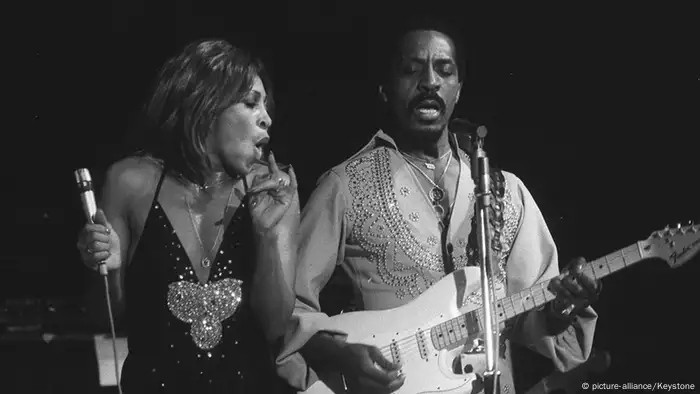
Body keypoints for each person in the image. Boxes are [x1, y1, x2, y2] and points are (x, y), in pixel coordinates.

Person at [276, 17, 601, 394]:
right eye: (411, 70)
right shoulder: (345, 187)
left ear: (458, 88)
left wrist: (564, 306)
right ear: (385, 89)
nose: (429, 81)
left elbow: (534, 319)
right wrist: (343, 355)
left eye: (444, 71)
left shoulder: (503, 191)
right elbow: (290, 310)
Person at [76, 39, 299, 393]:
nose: (267, 118)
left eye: (266, 107)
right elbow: (104, 317)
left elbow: (275, 328)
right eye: (250, 103)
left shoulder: (272, 188)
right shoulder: (131, 182)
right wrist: (107, 267)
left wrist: (268, 236)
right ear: (205, 104)